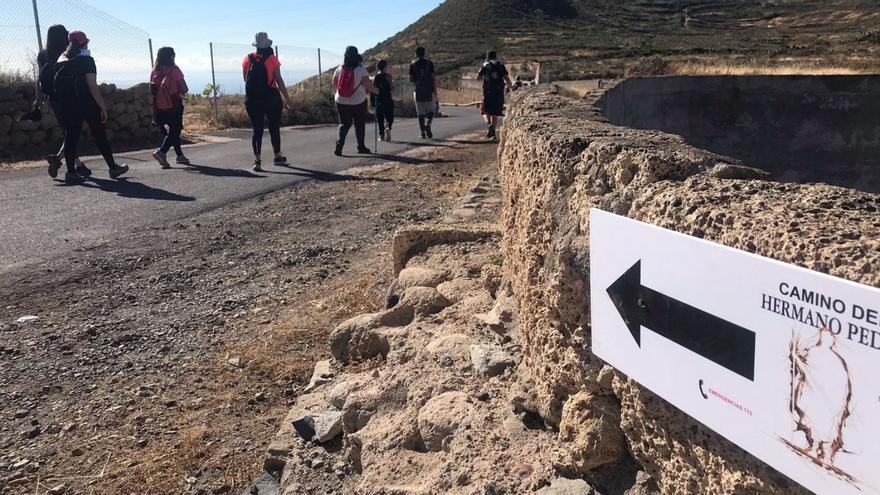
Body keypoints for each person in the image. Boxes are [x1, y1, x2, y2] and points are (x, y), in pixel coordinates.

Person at [55, 30, 129, 182]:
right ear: (84, 42)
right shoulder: (87, 60)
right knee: (100, 136)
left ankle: (71, 172)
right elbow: (92, 86)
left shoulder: (61, 60)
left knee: (71, 137)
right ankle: (113, 168)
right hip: (87, 104)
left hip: (69, 105)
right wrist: (102, 107)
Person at [31, 25, 89, 180]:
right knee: (73, 132)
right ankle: (63, 162)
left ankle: (76, 164)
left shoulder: (43, 55)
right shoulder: (67, 53)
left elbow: (40, 79)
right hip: (70, 97)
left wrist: (38, 99)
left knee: (68, 131)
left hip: (53, 99)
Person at [242, 32, 292, 172]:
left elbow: (245, 79)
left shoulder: (247, 59)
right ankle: (277, 156)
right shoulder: (272, 59)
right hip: (271, 97)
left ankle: (257, 161)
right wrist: (287, 99)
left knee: (257, 130)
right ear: (268, 44)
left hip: (252, 99)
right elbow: (279, 80)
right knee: (273, 127)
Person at [150, 47, 190, 168]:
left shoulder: (154, 72)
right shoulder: (175, 71)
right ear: (171, 56)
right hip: (174, 105)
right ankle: (162, 152)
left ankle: (180, 155)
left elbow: (152, 90)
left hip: (159, 107)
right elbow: (185, 88)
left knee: (173, 131)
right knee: (175, 131)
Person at [333, 46, 376, 156]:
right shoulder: (361, 70)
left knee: (344, 124)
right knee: (359, 124)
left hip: (341, 100)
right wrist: (376, 91)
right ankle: (360, 146)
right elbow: (368, 85)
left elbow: (334, 83)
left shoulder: (339, 69)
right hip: (358, 101)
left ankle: (339, 144)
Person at [477, 51, 513, 140]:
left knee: (484, 111)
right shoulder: (501, 65)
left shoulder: (485, 65)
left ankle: (489, 125)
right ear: (495, 57)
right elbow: (507, 78)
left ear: (487, 57)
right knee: (495, 113)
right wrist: (511, 87)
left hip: (488, 92)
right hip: (498, 92)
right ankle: (493, 134)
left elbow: (478, 77)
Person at [409, 47, 436, 139]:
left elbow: (411, 79)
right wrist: (435, 91)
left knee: (420, 113)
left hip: (418, 90)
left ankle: (422, 133)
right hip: (429, 90)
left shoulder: (413, 65)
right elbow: (433, 78)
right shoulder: (430, 63)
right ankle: (428, 123)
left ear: (415, 54)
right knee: (431, 110)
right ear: (424, 53)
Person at [371, 60, 394, 142]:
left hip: (379, 100)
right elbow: (391, 89)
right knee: (390, 117)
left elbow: (373, 90)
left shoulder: (375, 77)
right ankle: (388, 127)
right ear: (384, 67)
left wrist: (372, 101)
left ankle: (381, 135)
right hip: (388, 99)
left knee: (380, 119)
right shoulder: (389, 77)